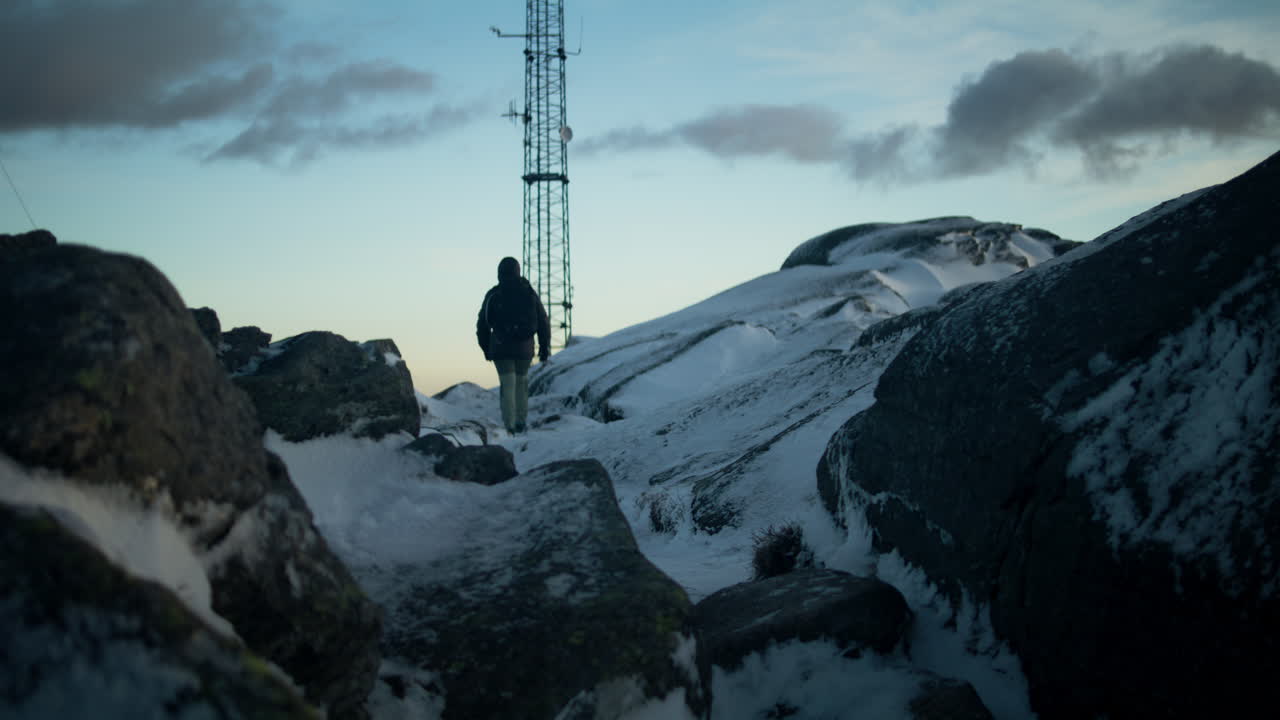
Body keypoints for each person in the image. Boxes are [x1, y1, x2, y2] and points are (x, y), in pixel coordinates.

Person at [476, 257, 551, 434]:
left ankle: (509, 426)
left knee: (507, 385)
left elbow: (482, 325)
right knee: (522, 383)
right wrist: (544, 348)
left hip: (501, 348)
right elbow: (542, 321)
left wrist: (487, 349)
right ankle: (521, 422)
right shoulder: (528, 292)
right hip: (524, 348)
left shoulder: (494, 293)